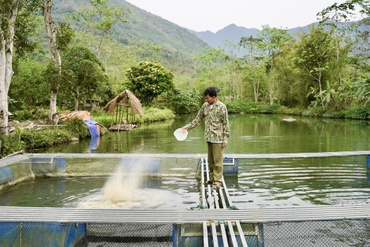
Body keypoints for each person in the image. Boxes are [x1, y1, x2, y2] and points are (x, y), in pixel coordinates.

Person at [183, 87, 230, 190]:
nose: (206, 100)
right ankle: (212, 179)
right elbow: (198, 119)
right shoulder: (205, 106)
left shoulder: (222, 107)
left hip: (218, 137)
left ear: (214, 97)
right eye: (205, 98)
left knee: (218, 160)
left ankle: (217, 181)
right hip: (209, 137)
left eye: (208, 98)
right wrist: (187, 127)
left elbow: (226, 123)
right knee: (211, 160)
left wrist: (225, 138)